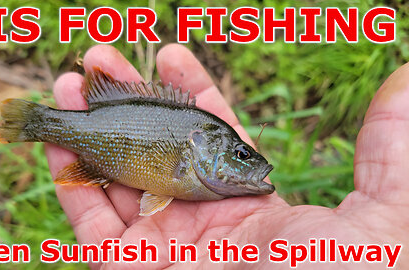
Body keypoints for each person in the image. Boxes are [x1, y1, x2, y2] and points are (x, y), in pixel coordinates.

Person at [45, 44, 408, 269]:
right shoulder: (187, 159)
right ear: (202, 144)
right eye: (239, 153)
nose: (251, 164)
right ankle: (36, 123)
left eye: (242, 154)